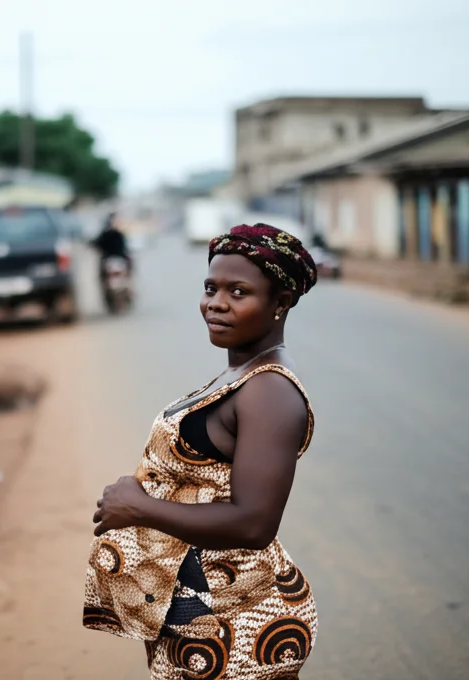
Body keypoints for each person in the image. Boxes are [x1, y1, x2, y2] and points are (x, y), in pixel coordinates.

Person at [84, 223, 319, 680]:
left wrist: (141, 508)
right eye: (211, 287)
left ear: (281, 303)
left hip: (233, 622)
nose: (216, 302)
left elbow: (254, 523)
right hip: (197, 613)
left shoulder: (269, 391)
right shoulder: (241, 374)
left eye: (239, 291)